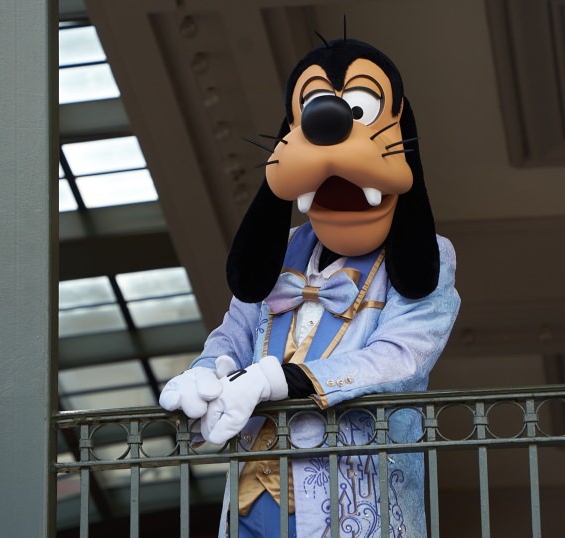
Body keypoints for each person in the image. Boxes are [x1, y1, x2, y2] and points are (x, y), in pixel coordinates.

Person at [158, 38, 460, 538]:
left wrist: (286, 381)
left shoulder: (430, 256)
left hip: (355, 508)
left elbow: (401, 358)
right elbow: (234, 332)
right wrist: (205, 372)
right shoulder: (280, 252)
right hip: (251, 504)